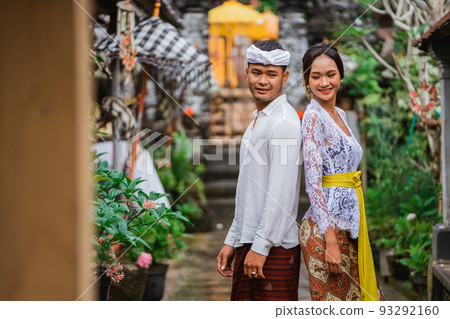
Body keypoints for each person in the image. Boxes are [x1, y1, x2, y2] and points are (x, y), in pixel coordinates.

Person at [216, 40, 302, 301]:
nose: (263, 80)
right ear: (247, 73)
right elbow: (249, 189)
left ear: (284, 77)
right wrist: (233, 238)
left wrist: (261, 246)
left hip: (271, 247)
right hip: (251, 241)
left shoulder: (284, 122)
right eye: (257, 72)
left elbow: (282, 192)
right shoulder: (259, 120)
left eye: (271, 74)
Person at [299, 43, 385, 301]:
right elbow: (313, 183)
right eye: (316, 76)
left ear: (341, 76)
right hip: (326, 232)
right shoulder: (312, 117)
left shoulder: (340, 114)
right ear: (307, 81)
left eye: (330, 74)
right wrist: (331, 241)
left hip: (349, 225)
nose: (324, 82)